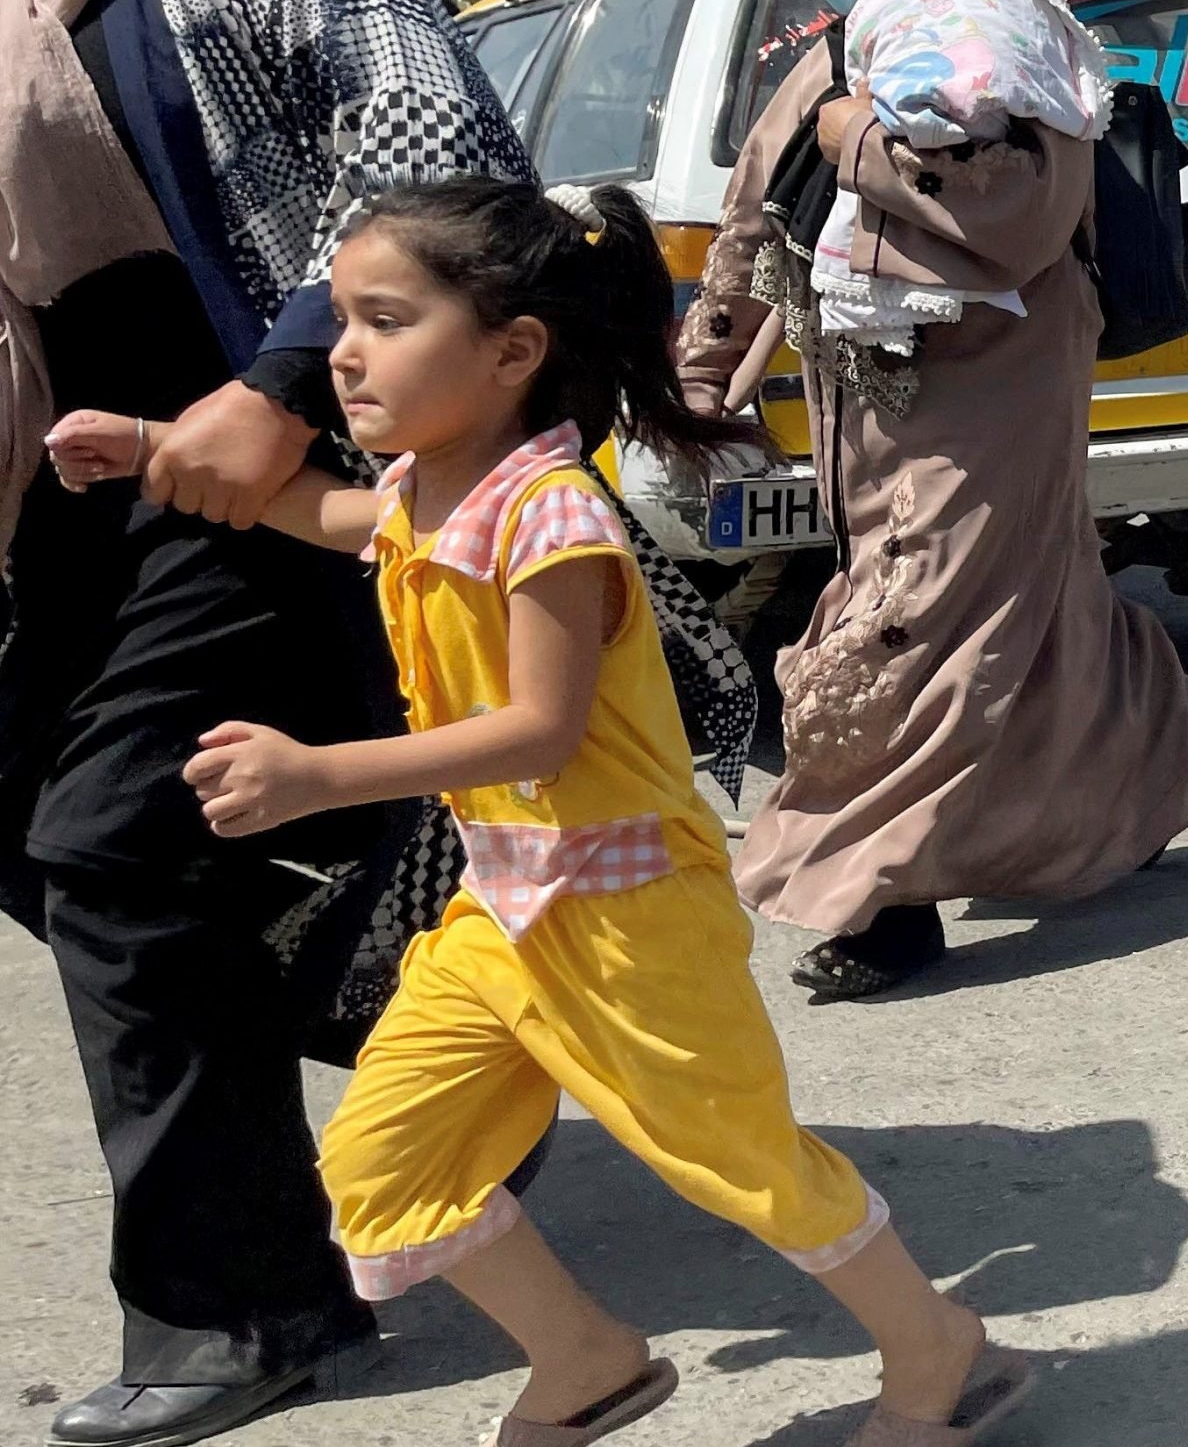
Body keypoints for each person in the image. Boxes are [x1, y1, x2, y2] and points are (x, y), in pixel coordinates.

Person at [47, 180, 1039, 1447]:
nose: (344, 353)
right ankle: (584, 1362)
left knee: (740, 1162)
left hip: (628, 915)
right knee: (381, 1172)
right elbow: (321, 511)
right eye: (342, 319)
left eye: (387, 321)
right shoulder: (425, 493)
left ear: (514, 350)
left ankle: (937, 1347)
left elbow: (539, 731)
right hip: (502, 915)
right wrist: (148, 445)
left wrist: (315, 774)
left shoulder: (554, 517)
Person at [0, 0, 550, 1442]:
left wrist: (279, 376)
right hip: (86, 470)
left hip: (269, 462)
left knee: (118, 845)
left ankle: (241, 1314)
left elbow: (440, 137)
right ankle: (461, 1014)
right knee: (46, 816)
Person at [680, 0, 1188, 1000]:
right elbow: (754, 217)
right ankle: (1155, 776)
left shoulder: (997, 48)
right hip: (869, 397)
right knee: (1041, 607)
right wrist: (707, 368)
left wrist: (853, 138)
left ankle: (881, 896)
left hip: (995, 386)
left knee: (918, 620)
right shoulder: (834, 56)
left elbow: (1017, 217)